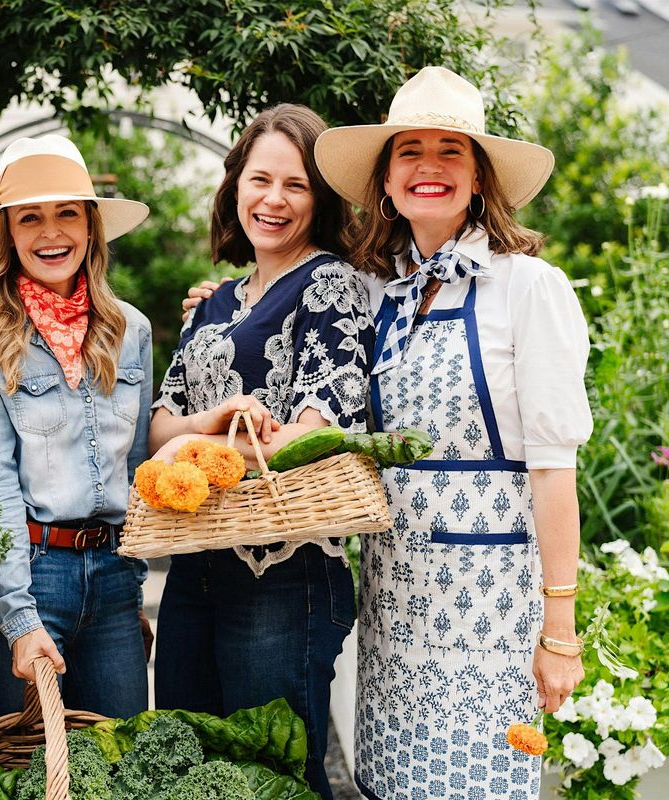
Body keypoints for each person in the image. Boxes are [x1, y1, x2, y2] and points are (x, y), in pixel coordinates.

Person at [312, 66, 591, 798]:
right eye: (409, 150)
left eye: (451, 150)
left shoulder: (529, 288)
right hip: (393, 608)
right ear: (385, 180)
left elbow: (554, 470)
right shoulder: (381, 290)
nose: (427, 166)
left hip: (488, 620)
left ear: (479, 179)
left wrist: (559, 631)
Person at [149, 104, 374, 800]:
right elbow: (157, 431)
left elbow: (307, 435)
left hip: (284, 572)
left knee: (273, 781)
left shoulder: (332, 285)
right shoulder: (215, 302)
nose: (273, 200)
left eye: (296, 185)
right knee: (189, 773)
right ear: (236, 186)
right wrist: (217, 424)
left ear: (321, 198)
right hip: (195, 567)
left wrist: (195, 447)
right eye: (259, 179)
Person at [0, 134, 153, 720]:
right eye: (29, 218)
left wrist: (131, 580)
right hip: (28, 574)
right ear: (7, 234)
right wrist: (16, 615)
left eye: (67, 213)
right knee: (32, 770)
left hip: (112, 578)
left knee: (120, 764)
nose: (51, 232)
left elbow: (135, 469)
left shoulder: (129, 331)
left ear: (91, 227)